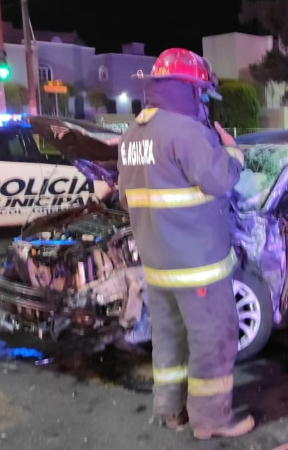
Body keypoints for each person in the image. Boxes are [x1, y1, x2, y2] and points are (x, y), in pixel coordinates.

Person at [117, 48, 253, 440]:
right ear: (190, 90)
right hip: (199, 267)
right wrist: (231, 151)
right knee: (213, 341)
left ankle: (172, 412)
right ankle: (211, 421)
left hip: (158, 267)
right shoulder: (186, 131)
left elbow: (127, 198)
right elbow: (221, 180)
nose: (205, 104)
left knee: (169, 341)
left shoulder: (133, 135)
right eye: (204, 95)